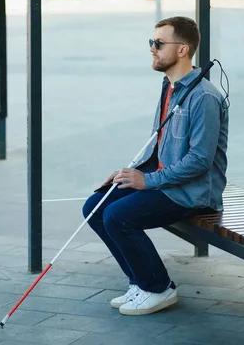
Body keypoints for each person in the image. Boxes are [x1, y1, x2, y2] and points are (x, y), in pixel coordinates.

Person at [83, 16, 229, 316]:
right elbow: (160, 146)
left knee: (118, 217)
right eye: (152, 42)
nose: (152, 48)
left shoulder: (203, 97)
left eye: (159, 43)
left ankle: (158, 288)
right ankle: (140, 281)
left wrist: (146, 182)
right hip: (165, 180)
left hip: (193, 192)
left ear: (182, 50)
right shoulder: (170, 86)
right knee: (95, 206)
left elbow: (200, 162)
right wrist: (130, 171)